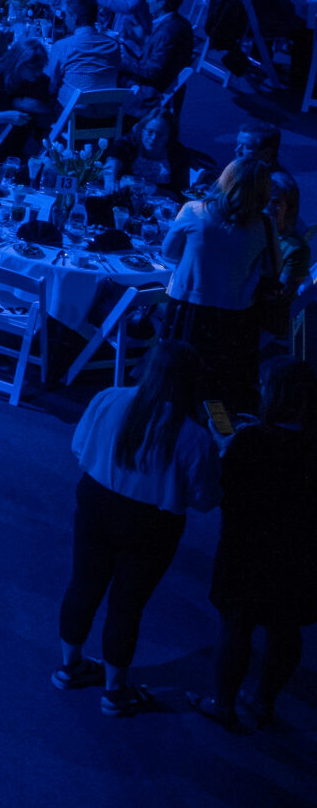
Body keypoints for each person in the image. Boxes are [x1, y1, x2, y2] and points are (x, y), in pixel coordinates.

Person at [56, 342, 221, 716]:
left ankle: (70, 667)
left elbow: (79, 448)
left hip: (96, 502)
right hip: (152, 525)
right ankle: (115, 692)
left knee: (82, 585)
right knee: (127, 606)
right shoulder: (194, 436)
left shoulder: (108, 399)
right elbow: (205, 499)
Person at [190, 359, 316, 731]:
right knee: (286, 629)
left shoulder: (252, 440)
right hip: (303, 558)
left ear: (276, 395)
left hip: (247, 552)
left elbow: (228, 494)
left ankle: (223, 704)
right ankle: (263, 702)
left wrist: (226, 445)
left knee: (236, 626)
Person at [163, 159, 279, 407]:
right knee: (219, 389)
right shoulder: (265, 224)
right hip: (236, 317)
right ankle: (218, 434)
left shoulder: (194, 211)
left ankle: (170, 430)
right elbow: (274, 268)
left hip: (189, 307)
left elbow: (169, 253)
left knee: (175, 379)